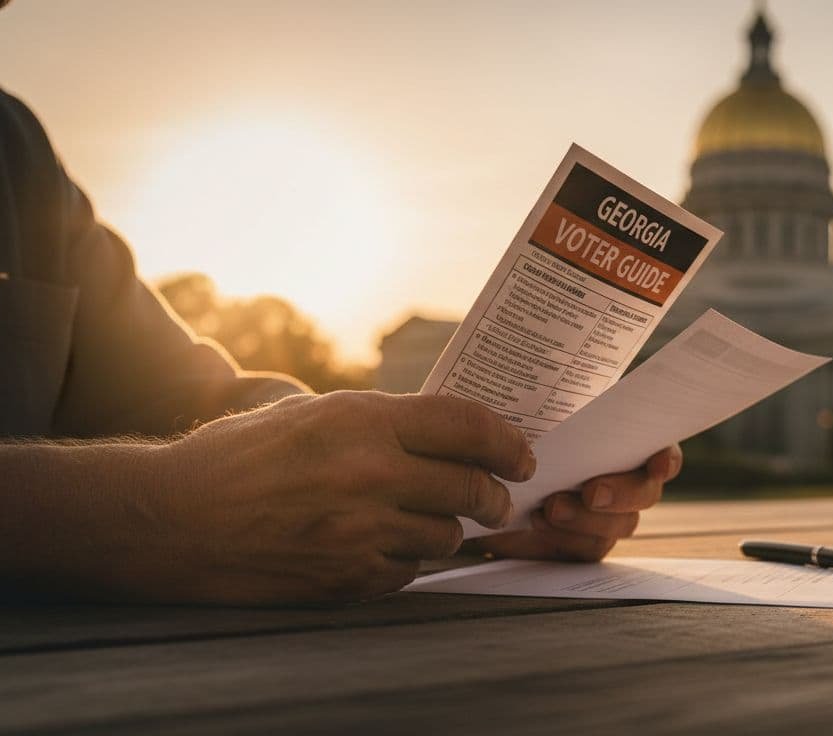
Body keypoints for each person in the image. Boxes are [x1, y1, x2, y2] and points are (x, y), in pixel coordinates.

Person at [0, 84, 680, 605]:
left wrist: (435, 490)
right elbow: (185, 476)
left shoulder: (16, 151)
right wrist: (156, 515)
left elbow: (182, 391)